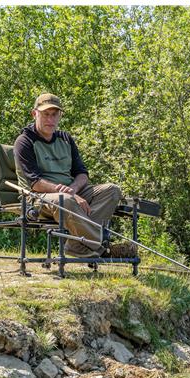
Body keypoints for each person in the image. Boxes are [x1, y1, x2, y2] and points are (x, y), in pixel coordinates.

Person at [13, 93, 134, 258]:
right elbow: (35, 183)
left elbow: (82, 173)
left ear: (60, 116)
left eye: (54, 114)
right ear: (34, 114)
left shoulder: (65, 138)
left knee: (112, 190)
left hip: (70, 192)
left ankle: (77, 245)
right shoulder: (24, 141)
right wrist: (70, 195)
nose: (50, 119)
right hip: (38, 196)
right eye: (45, 114)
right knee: (65, 200)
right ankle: (102, 246)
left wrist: (74, 189)